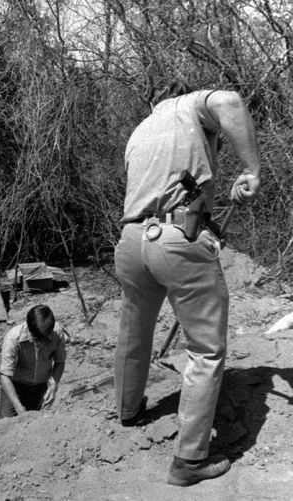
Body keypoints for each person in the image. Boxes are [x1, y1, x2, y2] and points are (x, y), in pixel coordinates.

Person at [114, 81, 261, 486]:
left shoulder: (141, 131)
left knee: (133, 332)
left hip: (130, 241)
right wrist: (250, 170)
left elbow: (161, 193)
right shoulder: (188, 106)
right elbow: (230, 101)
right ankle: (189, 461)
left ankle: (127, 410)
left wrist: (205, 220)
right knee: (207, 350)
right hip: (175, 241)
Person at [0, 305, 66, 418]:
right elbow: (5, 376)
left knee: (35, 425)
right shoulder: (13, 338)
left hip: (40, 386)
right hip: (15, 386)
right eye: (36, 337)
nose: (40, 342)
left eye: (44, 337)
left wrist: (53, 386)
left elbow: (60, 362)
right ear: (29, 327)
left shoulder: (57, 333)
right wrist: (18, 407)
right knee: (6, 425)